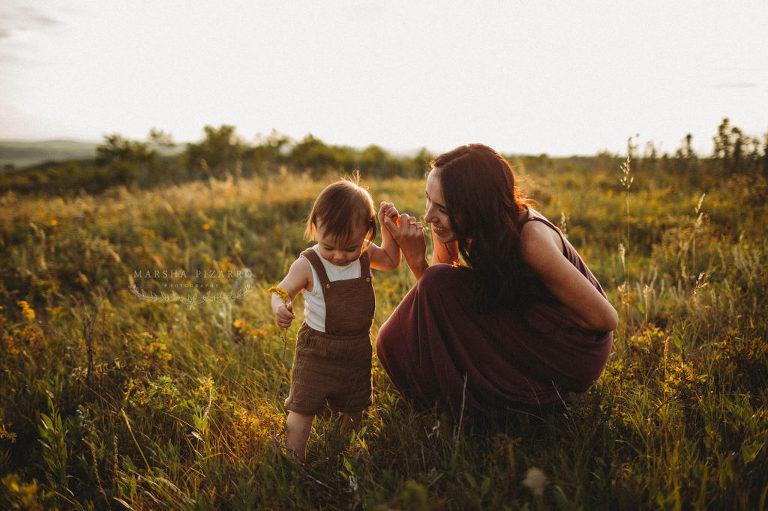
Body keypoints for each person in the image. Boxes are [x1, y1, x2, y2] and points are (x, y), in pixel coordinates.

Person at [376, 144, 617, 415]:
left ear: (477, 205)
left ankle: (495, 401)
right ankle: (460, 398)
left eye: (442, 207)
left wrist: (509, 310)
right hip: (526, 321)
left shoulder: (531, 241)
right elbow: (438, 303)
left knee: (437, 283)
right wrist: (417, 260)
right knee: (390, 338)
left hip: (571, 350)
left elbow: (606, 319)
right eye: (428, 199)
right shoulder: (459, 224)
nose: (430, 215)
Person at [270, 176, 401, 461]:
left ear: (367, 234)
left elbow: (391, 261)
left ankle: (339, 456)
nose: (340, 256)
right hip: (316, 350)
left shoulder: (365, 254)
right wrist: (280, 305)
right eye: (329, 246)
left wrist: (389, 230)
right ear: (316, 228)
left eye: (350, 248)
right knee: (301, 410)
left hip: (356, 349)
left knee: (354, 409)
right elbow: (282, 290)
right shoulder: (308, 264)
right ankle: (294, 462)